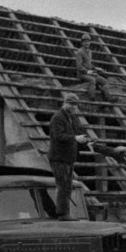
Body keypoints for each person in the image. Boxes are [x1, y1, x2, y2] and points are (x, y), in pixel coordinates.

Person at [48, 92, 89, 220]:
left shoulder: (73, 118)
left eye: (75, 104)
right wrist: (76, 138)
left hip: (69, 158)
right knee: (63, 185)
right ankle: (62, 214)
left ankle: (64, 212)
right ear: (64, 103)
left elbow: (78, 132)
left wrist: (86, 140)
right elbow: (59, 136)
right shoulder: (58, 117)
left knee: (67, 185)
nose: (73, 107)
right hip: (59, 157)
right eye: (71, 104)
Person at [74, 33, 109, 99]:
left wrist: (96, 68)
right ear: (82, 43)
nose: (86, 43)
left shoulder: (90, 52)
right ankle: (92, 96)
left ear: (90, 42)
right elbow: (79, 66)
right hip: (82, 74)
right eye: (85, 42)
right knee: (92, 80)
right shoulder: (79, 52)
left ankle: (107, 97)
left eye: (88, 41)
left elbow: (89, 64)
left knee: (104, 81)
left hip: (90, 72)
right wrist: (88, 72)